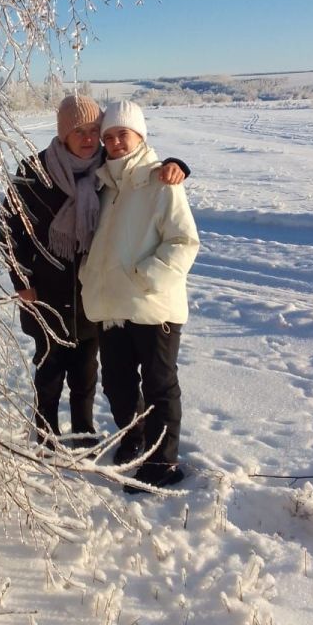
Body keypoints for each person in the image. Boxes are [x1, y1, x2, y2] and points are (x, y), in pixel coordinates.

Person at [0, 94, 189, 452]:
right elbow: (8, 229)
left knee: (86, 370)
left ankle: (85, 430)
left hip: (93, 291)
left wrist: (176, 164)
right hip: (47, 289)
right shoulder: (34, 172)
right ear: (63, 135)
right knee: (50, 366)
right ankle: (46, 433)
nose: (89, 139)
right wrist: (22, 281)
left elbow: (140, 162)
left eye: (93, 131)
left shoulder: (105, 170)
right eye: (79, 132)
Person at [79, 100, 200, 490]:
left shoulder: (161, 181)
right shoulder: (103, 185)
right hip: (113, 305)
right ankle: (134, 438)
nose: (114, 142)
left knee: (159, 384)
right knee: (116, 384)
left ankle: (162, 465)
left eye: (123, 135)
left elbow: (184, 241)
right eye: (108, 136)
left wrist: (145, 278)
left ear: (140, 136)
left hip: (153, 305)